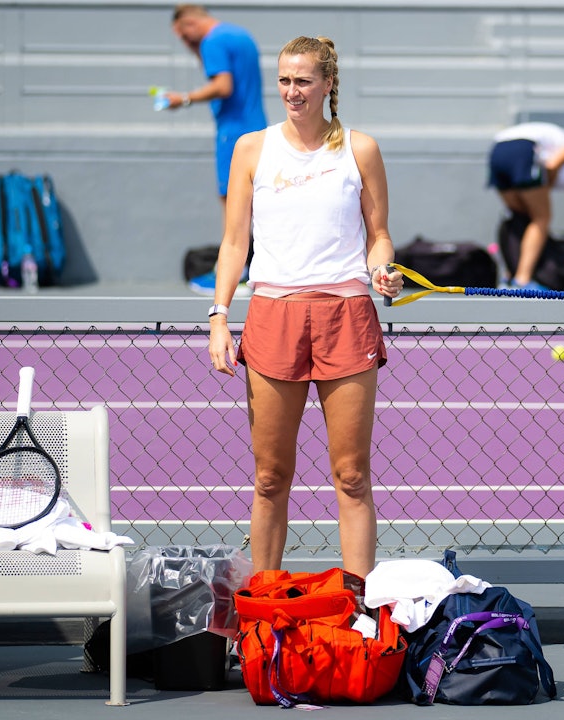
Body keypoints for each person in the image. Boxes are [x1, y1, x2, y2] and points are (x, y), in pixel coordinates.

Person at [205, 36, 403, 578]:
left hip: (346, 316)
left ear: (328, 84)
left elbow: (379, 235)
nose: (293, 91)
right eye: (285, 80)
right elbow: (232, 244)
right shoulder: (251, 148)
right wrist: (219, 316)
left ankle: (361, 614)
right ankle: (262, 606)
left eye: (304, 81)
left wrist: (383, 268)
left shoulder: (360, 149)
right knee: (270, 478)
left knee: (352, 476)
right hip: (272, 316)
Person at [165, 4, 267, 295]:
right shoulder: (239, 35)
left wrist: (183, 99)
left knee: (232, 204)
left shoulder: (212, 41)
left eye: (183, 35)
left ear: (189, 24)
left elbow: (222, 86)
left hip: (232, 135)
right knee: (255, 203)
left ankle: (235, 274)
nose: (185, 41)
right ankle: (251, 270)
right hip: (256, 128)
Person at [487, 122, 564, 290]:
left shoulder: (551, 137)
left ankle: (510, 275)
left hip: (497, 150)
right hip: (522, 150)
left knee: (519, 218)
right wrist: (546, 185)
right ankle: (522, 280)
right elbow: (552, 165)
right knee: (542, 218)